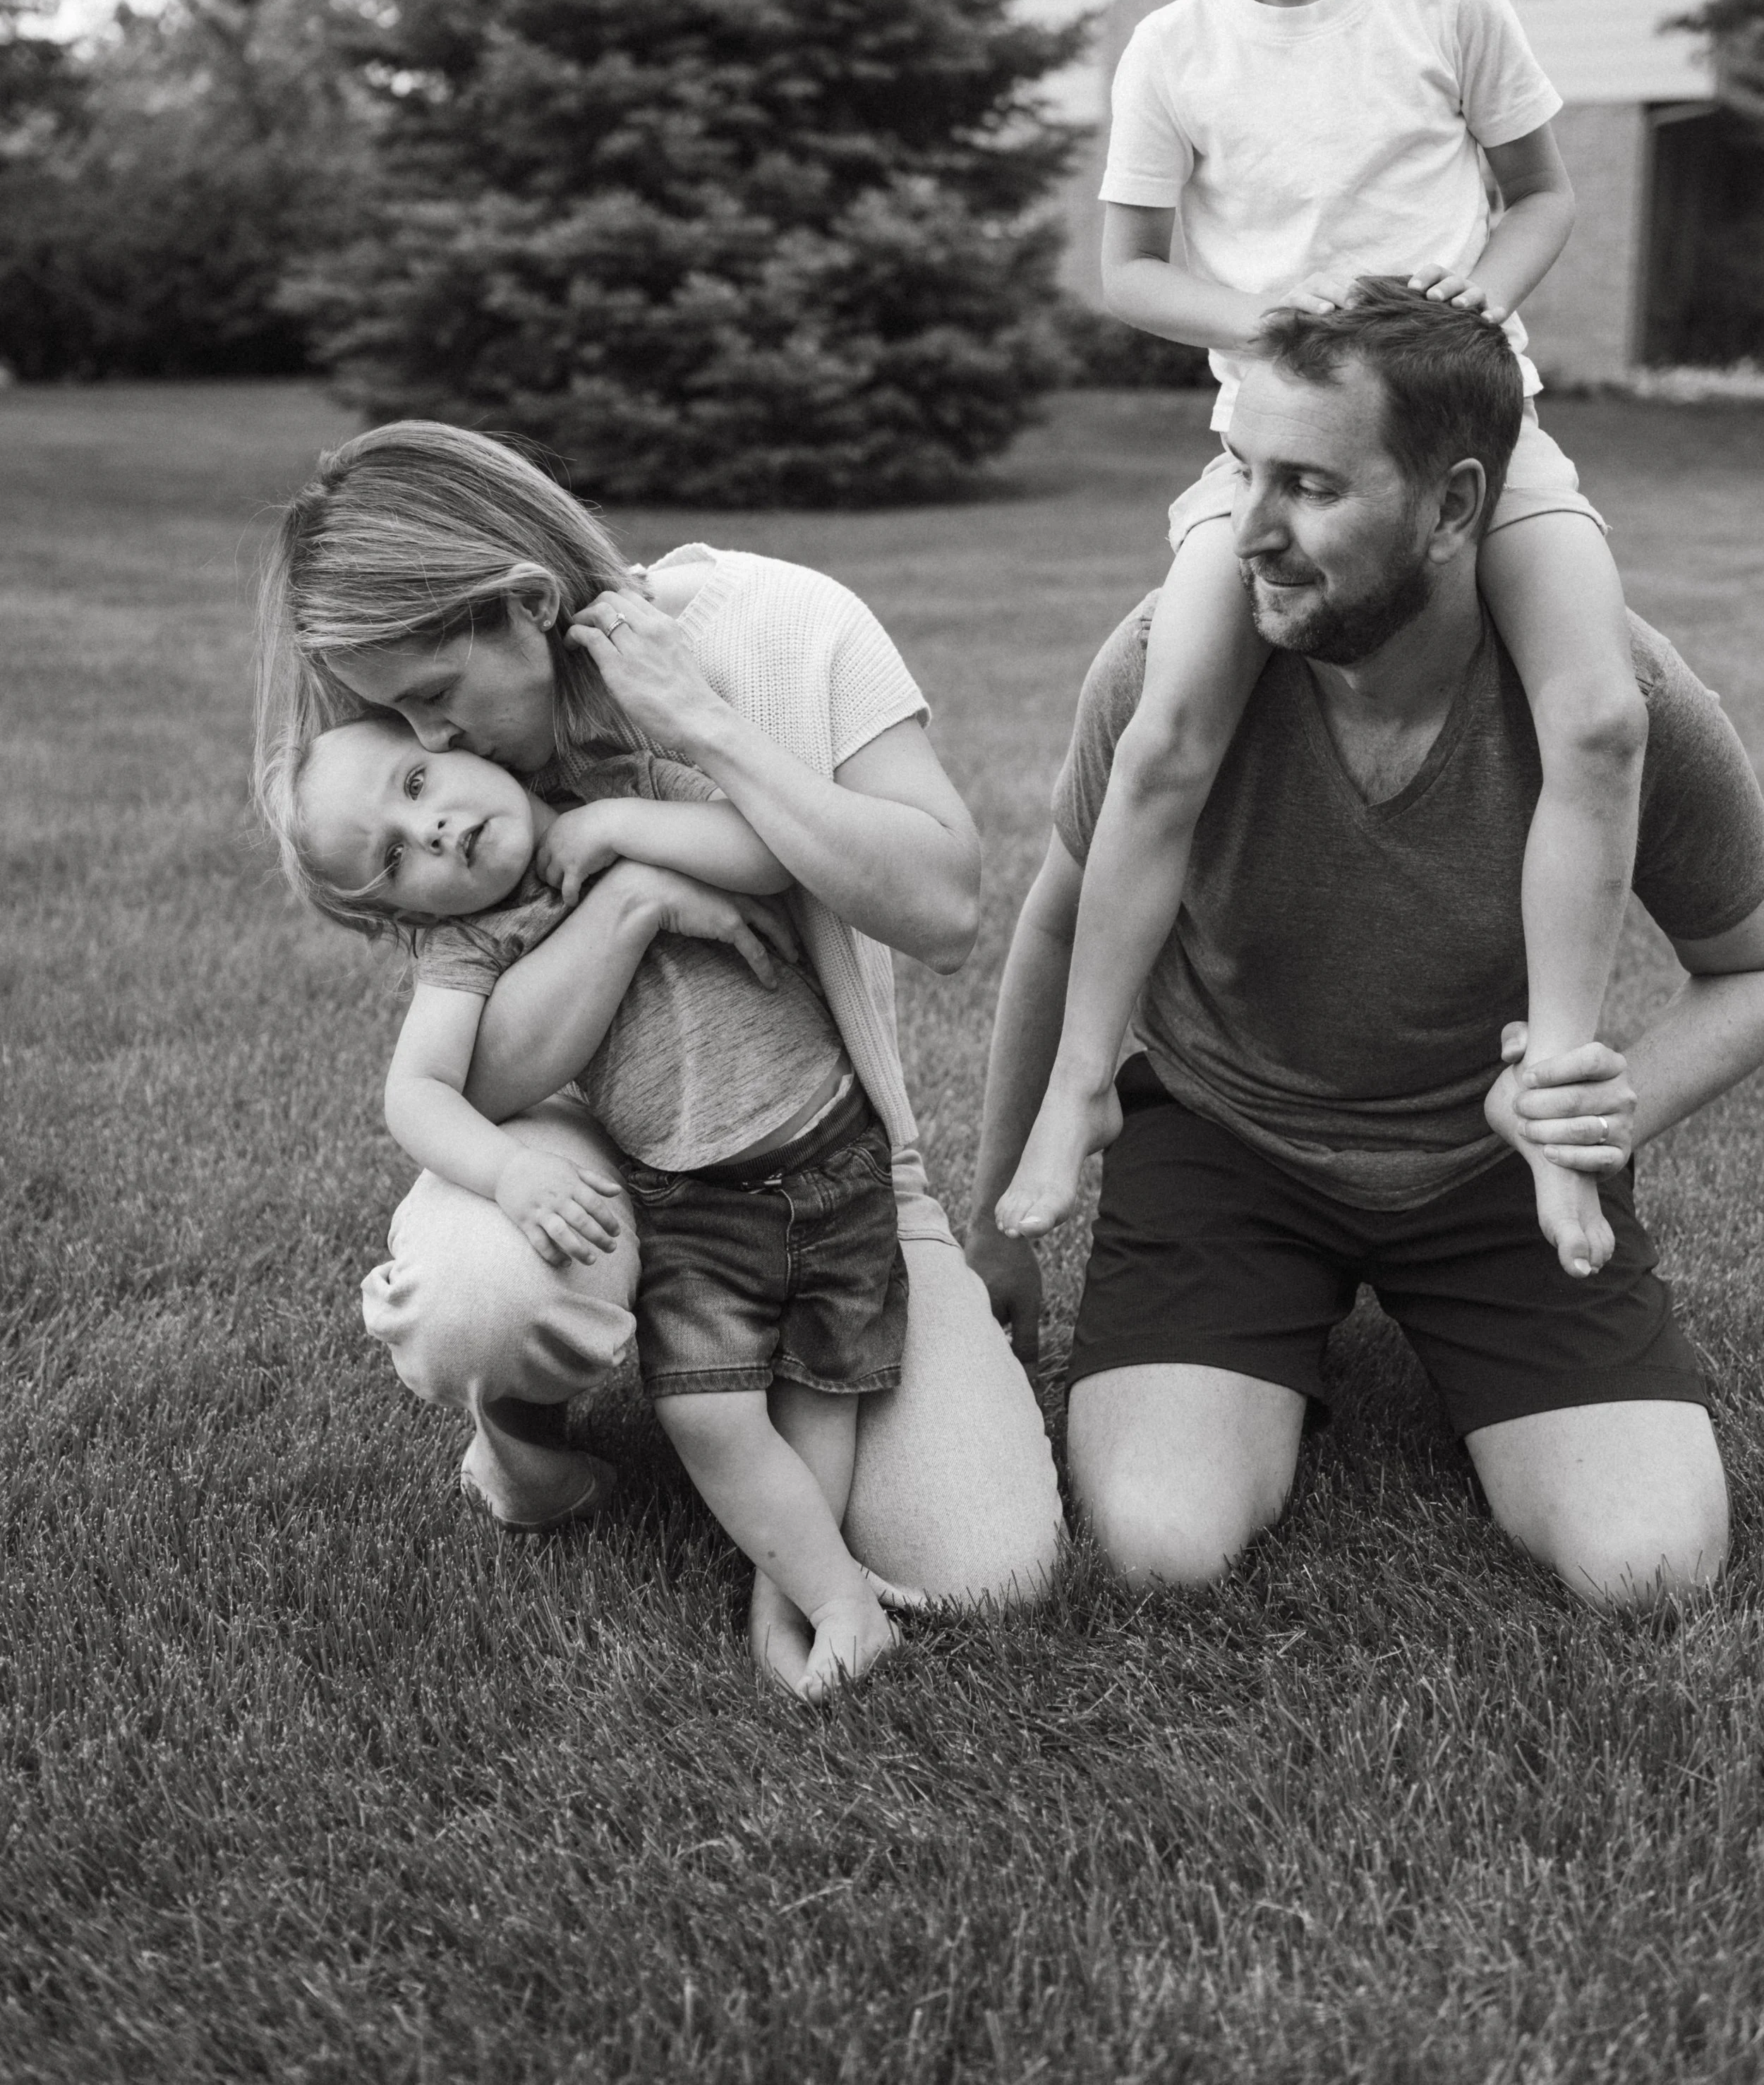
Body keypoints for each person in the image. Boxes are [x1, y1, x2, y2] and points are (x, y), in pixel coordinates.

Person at [998, 0, 1645, 1287]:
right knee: (1162, 739)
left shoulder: (1448, 4)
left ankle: (1549, 1095)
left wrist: (1459, 322)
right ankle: (1084, 1085)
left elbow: (1542, 198)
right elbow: (1125, 268)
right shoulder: (1174, 54)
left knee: (1598, 713)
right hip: (1272, 459)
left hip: (1469, 439)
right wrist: (1266, 319)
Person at [967, 294, 1764, 1608]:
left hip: (1488, 1162)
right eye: (1243, 473)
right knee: (1163, 1542)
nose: (1249, 530)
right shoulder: (1165, 668)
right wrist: (1001, 1225)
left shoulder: (1622, 701)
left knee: (1653, 1567)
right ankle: (1257, 1334)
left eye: (1312, 485)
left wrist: (1596, 1119)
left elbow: (1746, 965)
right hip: (1228, 1136)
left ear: (1453, 509)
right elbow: (1059, 918)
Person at [254, 420, 1062, 1690]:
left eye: (435, 704)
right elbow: (469, 1080)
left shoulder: (777, 628)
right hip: (598, 1161)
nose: (437, 754)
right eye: (398, 721)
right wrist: (629, 906)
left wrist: (706, 729)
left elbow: (948, 906)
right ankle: (523, 1434)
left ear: (524, 608)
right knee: (485, 1289)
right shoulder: (478, 841)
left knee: (991, 1566)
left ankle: (794, 1535)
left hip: (827, 1154)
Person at [282, 713, 919, 1700]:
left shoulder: (628, 785)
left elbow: (773, 852)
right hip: (697, 1202)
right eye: (397, 858)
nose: (437, 831)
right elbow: (414, 1090)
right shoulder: (473, 941)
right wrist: (507, 1172)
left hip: (834, 1153)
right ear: (403, 918)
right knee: (709, 1413)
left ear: (462, 742)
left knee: (822, 1386)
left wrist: (623, 825)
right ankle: (842, 1604)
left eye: (415, 785)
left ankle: (799, 1590)